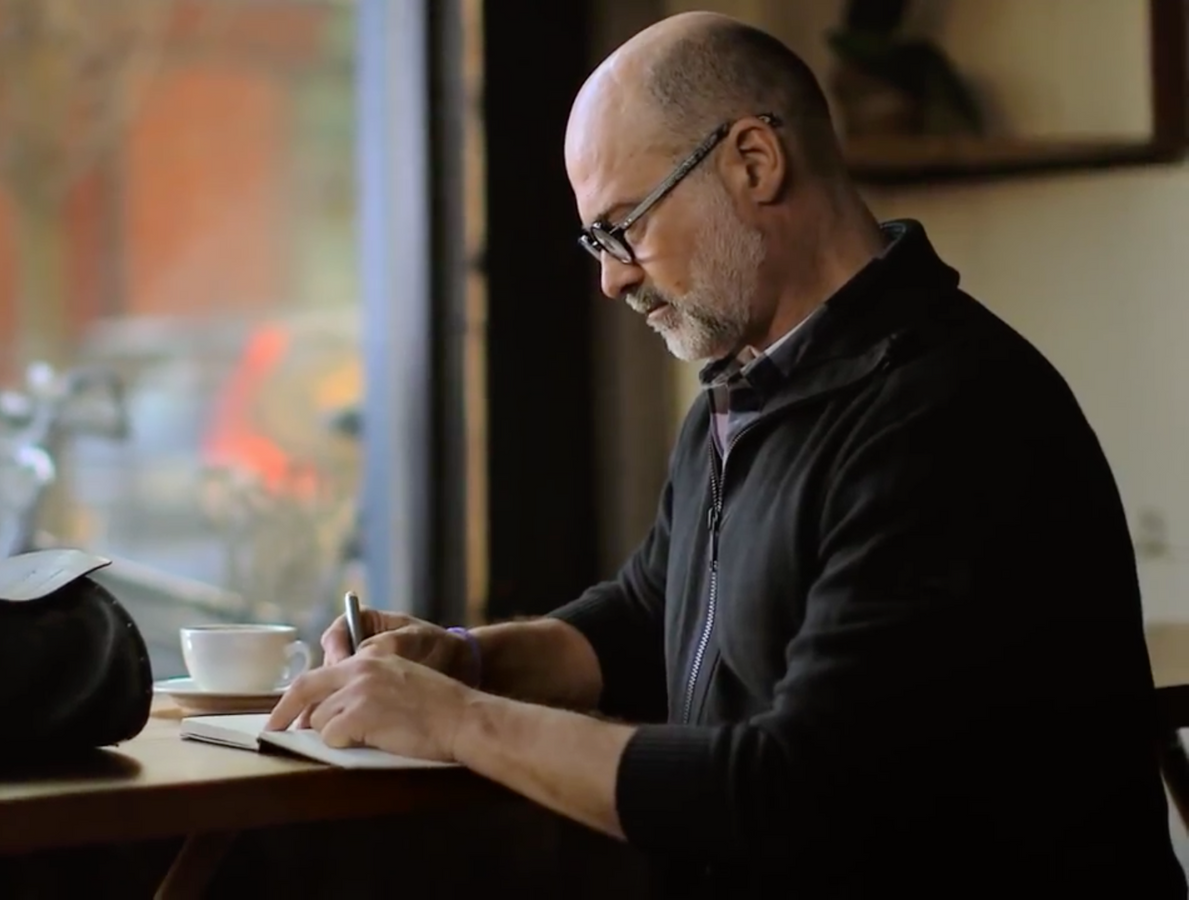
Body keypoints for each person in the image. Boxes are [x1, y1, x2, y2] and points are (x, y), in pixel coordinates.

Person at [267, 11, 1185, 897]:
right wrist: (467, 659)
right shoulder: (748, 389)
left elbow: (791, 789)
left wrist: (457, 722)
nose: (612, 275)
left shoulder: (949, 417)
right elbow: (654, 612)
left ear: (754, 160)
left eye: (625, 224)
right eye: (597, 239)